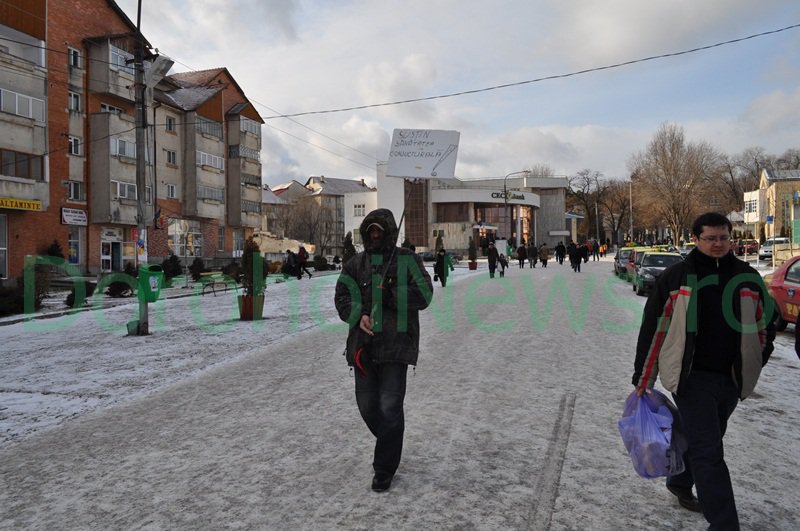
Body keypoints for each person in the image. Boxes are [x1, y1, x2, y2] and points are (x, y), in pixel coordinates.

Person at [632, 212, 776, 530]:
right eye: (710, 238)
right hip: (691, 378)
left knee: (706, 437)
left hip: (730, 378)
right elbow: (652, 328)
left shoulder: (747, 277)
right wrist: (643, 376)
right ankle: (724, 524)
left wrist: (756, 360)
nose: (718, 244)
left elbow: (769, 323)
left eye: (723, 237)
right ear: (696, 239)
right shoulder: (677, 277)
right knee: (709, 449)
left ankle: (680, 481)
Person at [334, 208, 433, 493]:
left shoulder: (407, 260)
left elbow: (425, 294)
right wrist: (357, 315)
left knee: (390, 408)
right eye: (370, 231)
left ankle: (383, 469)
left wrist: (390, 295)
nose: (374, 235)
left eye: (379, 230)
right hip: (363, 348)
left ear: (389, 231)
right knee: (368, 408)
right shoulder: (354, 265)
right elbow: (341, 297)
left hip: (396, 347)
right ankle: (391, 441)